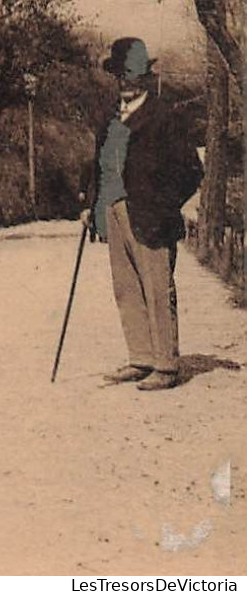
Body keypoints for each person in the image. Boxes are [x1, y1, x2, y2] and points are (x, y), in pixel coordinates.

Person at [83, 37, 203, 392]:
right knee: (126, 286)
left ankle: (166, 364)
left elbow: (190, 170)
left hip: (152, 214)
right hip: (115, 209)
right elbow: (98, 166)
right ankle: (141, 357)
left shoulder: (166, 115)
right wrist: (90, 205)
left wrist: (164, 203)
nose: (126, 80)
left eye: (133, 73)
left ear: (146, 76)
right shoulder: (109, 119)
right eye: (120, 73)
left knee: (156, 286)